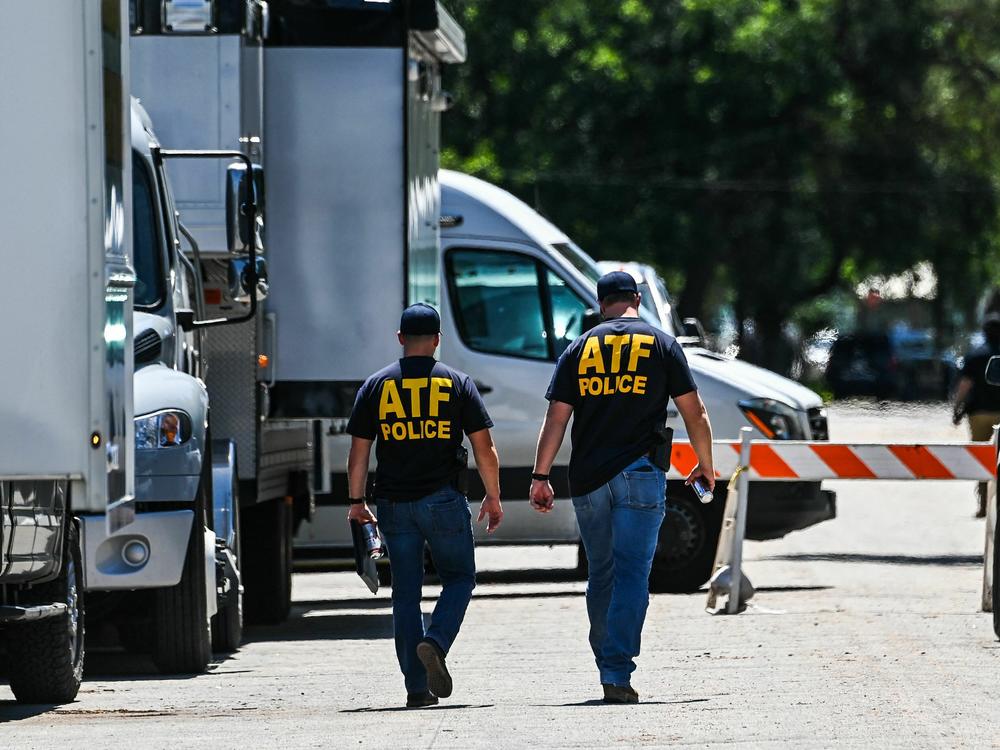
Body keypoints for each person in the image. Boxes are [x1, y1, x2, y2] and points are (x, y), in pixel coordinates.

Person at [528, 271, 715, 704]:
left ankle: (605, 662)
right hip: (640, 474)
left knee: (602, 573)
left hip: (589, 479)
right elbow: (695, 412)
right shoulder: (662, 344)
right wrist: (706, 465)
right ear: (636, 298)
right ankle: (616, 669)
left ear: (599, 303)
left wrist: (540, 477)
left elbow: (556, 418)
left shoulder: (578, 348)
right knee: (633, 573)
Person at [346, 303, 503, 708]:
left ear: (400, 339)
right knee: (460, 578)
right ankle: (435, 641)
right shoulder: (457, 383)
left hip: (394, 504)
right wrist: (493, 494)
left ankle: (417, 688)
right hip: (444, 501)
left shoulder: (376, 386)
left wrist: (356, 502)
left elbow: (359, 452)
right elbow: (483, 447)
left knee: (405, 594)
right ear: (437, 340)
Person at [952, 312, 1000, 517]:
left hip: (978, 414)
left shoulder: (975, 355)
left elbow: (964, 386)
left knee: (982, 459)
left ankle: (983, 506)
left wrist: (956, 409)